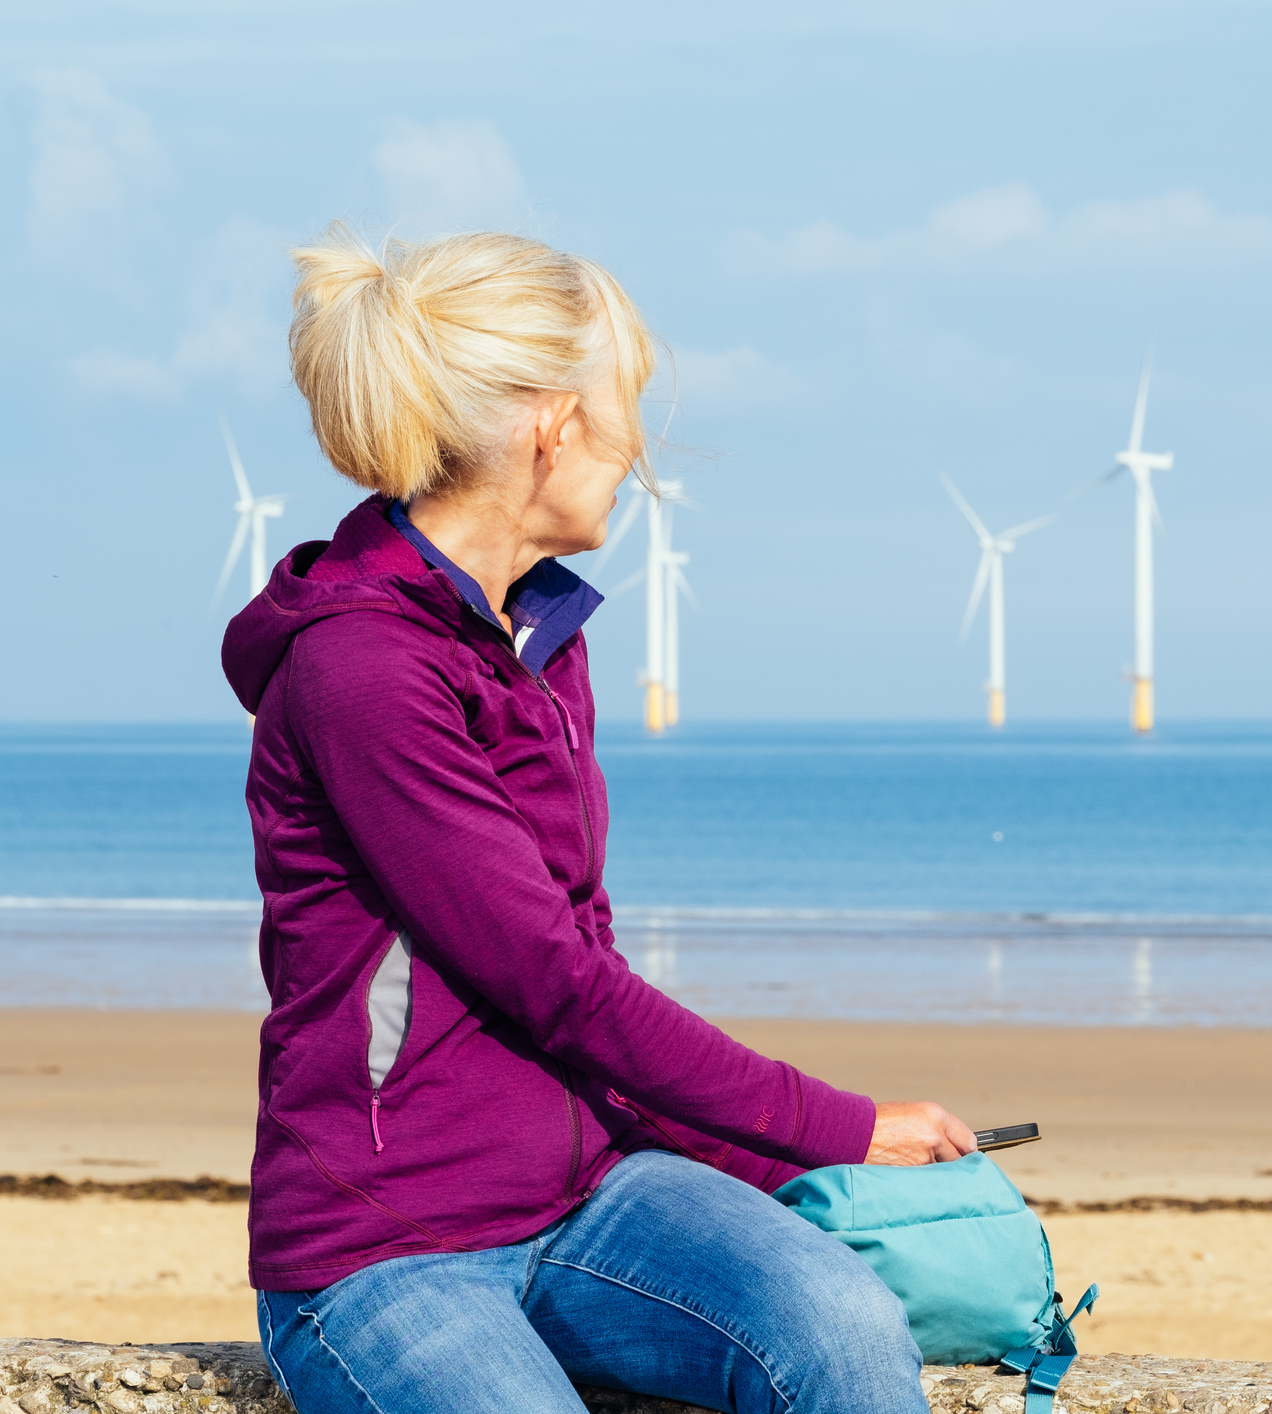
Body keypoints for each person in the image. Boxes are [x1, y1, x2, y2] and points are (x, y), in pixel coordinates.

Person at [221, 224, 973, 1414]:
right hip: (386, 1241)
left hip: (588, 1194)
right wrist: (830, 1124)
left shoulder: (539, 636)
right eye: (627, 410)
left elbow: (584, 949)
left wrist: (758, 1162)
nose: (638, 452)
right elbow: (552, 976)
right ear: (552, 424)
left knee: (842, 1321)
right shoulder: (362, 671)